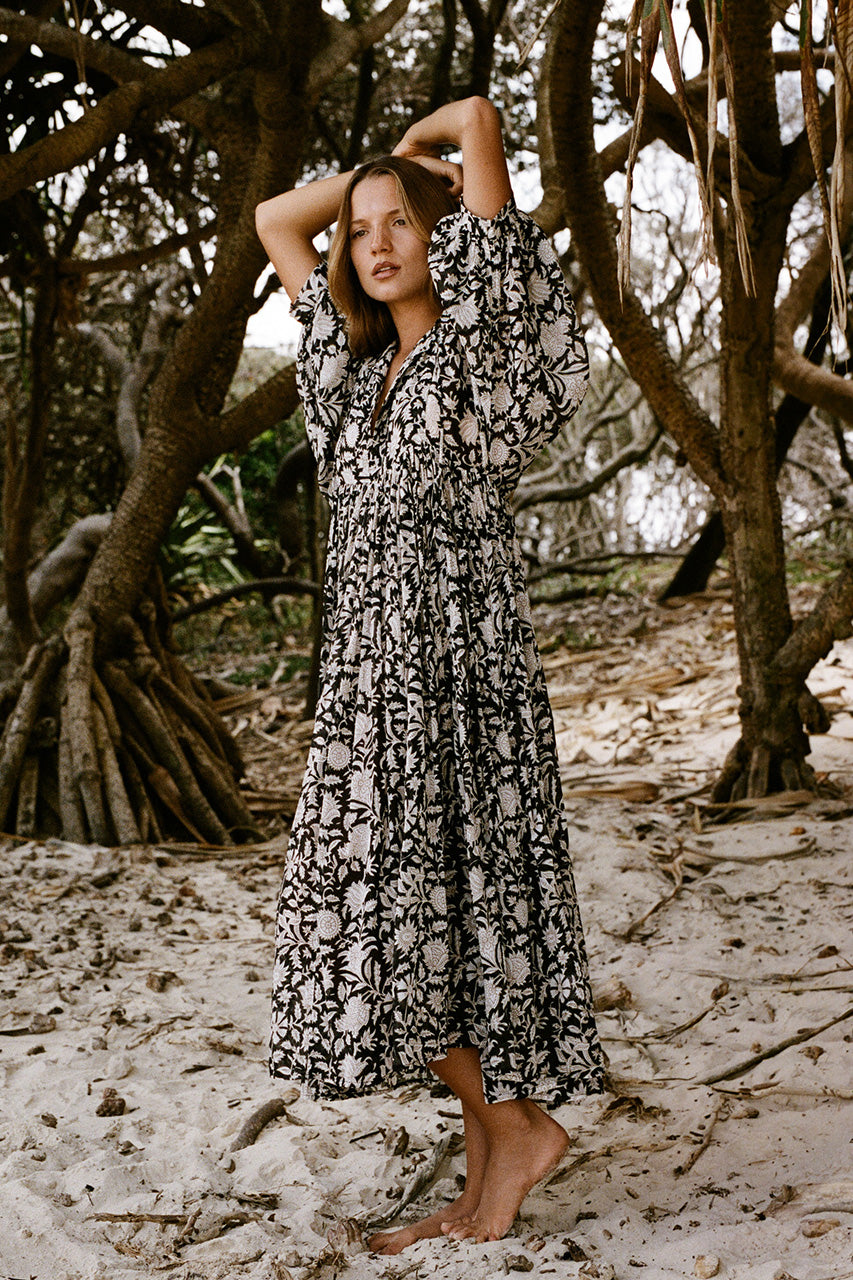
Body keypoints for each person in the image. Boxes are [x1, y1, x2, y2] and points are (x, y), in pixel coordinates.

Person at [255, 96, 606, 1254]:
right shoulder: (350, 368)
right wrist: (375, 174)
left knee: (435, 917)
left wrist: (426, 156)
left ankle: (509, 1137)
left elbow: (478, 120)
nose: (374, 242)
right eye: (360, 231)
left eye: (398, 222)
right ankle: (492, 1162)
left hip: (461, 681)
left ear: (444, 231)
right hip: (370, 691)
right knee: (398, 921)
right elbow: (274, 219)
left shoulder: (477, 340)